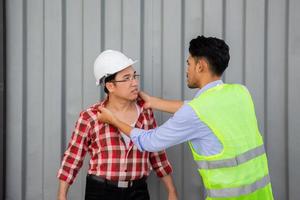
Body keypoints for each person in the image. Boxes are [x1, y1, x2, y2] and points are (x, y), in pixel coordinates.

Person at [97, 36, 274, 199]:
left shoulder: (196, 112)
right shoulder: (241, 93)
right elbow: (202, 108)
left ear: (200, 66)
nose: (187, 70)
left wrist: (113, 120)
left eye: (188, 63)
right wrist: (154, 102)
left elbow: (149, 142)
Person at [57, 50, 177, 200]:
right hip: (100, 192)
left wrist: (172, 191)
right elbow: (72, 158)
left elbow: (157, 155)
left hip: (138, 192)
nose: (134, 83)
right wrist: (62, 195)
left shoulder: (145, 113)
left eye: (134, 76)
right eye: (126, 78)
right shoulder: (90, 117)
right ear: (110, 86)